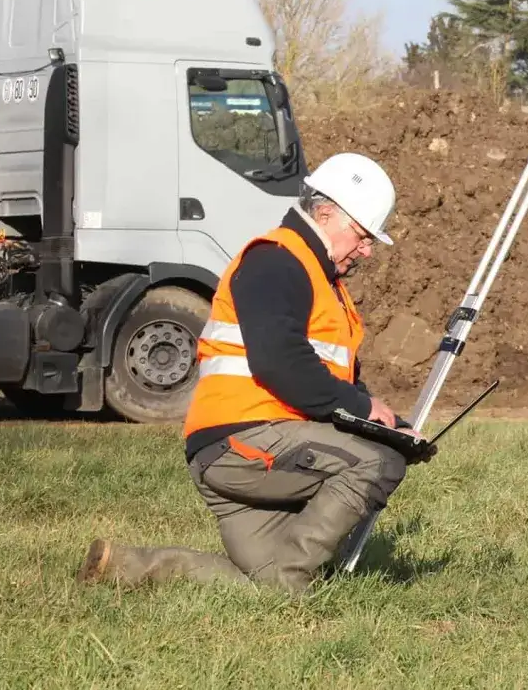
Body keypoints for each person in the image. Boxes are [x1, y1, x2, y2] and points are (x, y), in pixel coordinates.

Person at [75, 152, 421, 595]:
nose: (367, 249)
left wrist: (386, 423)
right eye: (362, 234)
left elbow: (337, 382)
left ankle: (123, 566)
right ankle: (300, 587)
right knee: (377, 463)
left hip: (236, 449)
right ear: (327, 213)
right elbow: (281, 364)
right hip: (246, 444)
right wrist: (367, 419)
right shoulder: (277, 261)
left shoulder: (317, 278)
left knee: (270, 584)